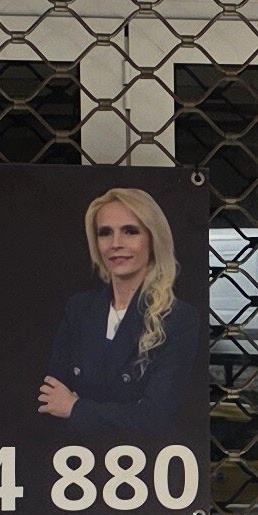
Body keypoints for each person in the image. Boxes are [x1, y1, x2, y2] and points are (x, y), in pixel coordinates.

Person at [37, 186, 204, 440]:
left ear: (152, 238)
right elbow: (51, 399)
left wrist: (76, 408)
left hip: (141, 463)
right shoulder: (79, 308)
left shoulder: (178, 318)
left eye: (130, 231)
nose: (116, 244)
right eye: (105, 233)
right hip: (74, 458)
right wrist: (119, 412)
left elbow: (155, 416)